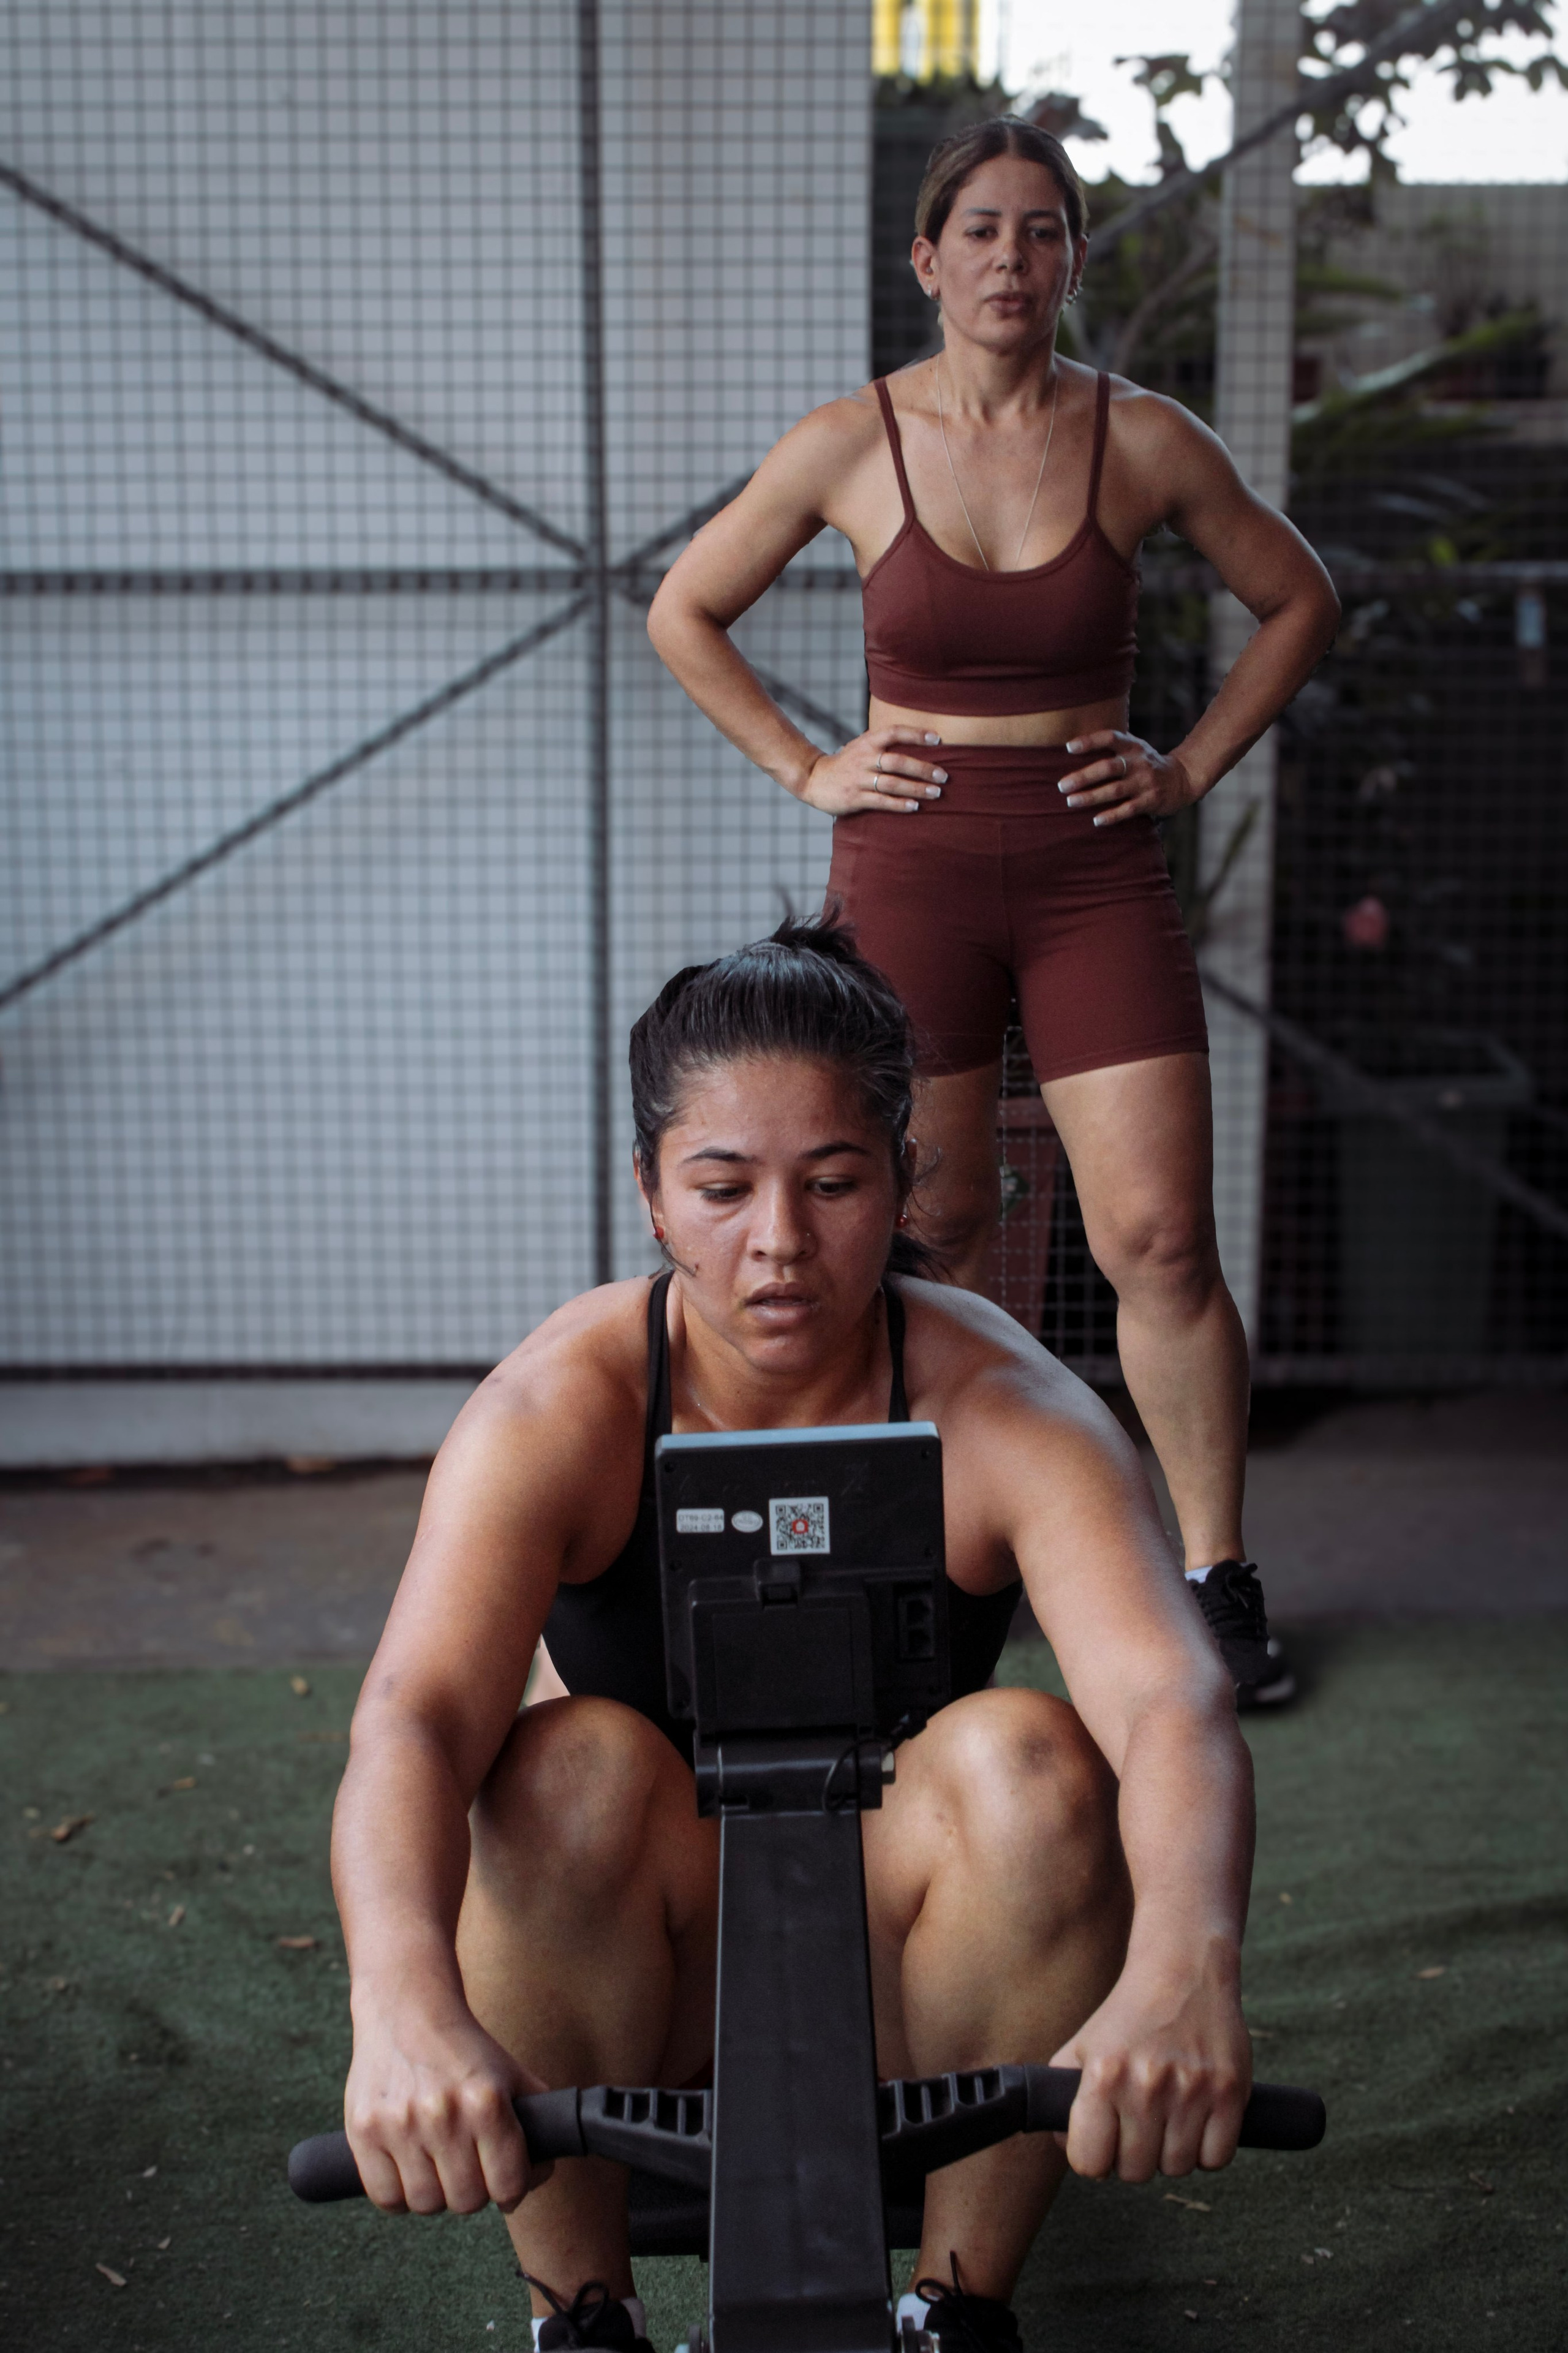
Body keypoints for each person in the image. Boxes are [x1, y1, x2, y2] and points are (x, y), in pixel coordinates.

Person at [333, 918, 1258, 2353]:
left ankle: (950, 2312)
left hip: (908, 1985)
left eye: (831, 1181)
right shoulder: (554, 1410)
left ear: (900, 1181)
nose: (778, 1242)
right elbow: (410, 1721)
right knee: (555, 1762)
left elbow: (1170, 1701)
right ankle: (581, 2318)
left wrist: (1185, 1968)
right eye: (721, 1186)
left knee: (1032, 1754)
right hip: (640, 1981)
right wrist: (394, 2001)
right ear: (649, 1193)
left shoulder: (1005, 1404)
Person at [646, 116, 1342, 1707]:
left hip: (1094, 867)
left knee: (1159, 1239)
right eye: (982, 231)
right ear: (927, 258)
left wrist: (1187, 770)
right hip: (913, 871)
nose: (1012, 260)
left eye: (1042, 232)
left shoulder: (1143, 437)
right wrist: (809, 764)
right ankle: (932, 1577)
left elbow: (1298, 597)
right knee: (937, 1234)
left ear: (1075, 261)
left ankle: (1214, 1577)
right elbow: (685, 609)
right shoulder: (848, 441)